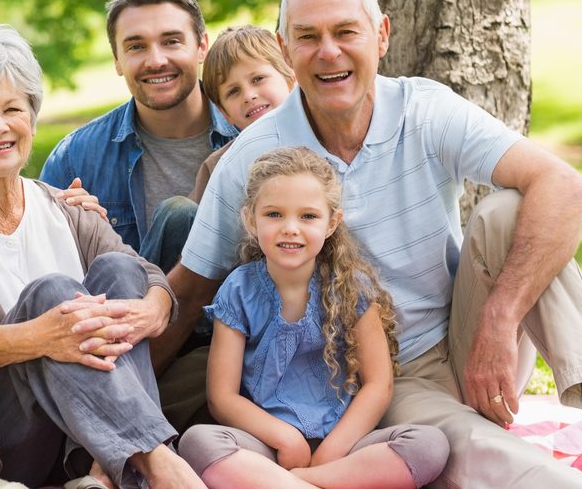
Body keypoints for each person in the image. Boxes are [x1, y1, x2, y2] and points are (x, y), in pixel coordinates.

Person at [163, 0, 582, 486]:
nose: (329, 52)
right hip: (380, 379)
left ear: (381, 34)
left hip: (469, 336)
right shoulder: (254, 156)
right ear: (285, 48)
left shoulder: (425, 109)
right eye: (308, 36)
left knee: (517, 207)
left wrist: (499, 322)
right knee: (473, 453)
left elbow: (567, 187)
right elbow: (189, 289)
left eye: (346, 32)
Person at [0, 24, 205, 489]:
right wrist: (41, 336)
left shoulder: (64, 206)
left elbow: (148, 276)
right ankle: (157, 463)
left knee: (119, 270)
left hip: (84, 441)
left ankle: (105, 470)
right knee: (51, 293)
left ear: (32, 121)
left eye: (12, 109)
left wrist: (151, 310)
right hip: (6, 437)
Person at [178, 147, 449, 489]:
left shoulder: (353, 288)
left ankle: (303, 483)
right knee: (199, 443)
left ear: (332, 222)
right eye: (274, 214)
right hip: (266, 449)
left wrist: (328, 454)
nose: (290, 228)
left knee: (427, 446)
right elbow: (222, 397)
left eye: (308, 216)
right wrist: (285, 439)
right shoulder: (239, 290)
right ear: (250, 219)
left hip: (344, 447)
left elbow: (379, 385)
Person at [40, 0, 237, 274]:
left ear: (201, 47)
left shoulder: (251, 135)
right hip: (132, 315)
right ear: (117, 60)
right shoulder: (74, 160)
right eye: (136, 47)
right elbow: (46, 268)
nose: (156, 61)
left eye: (171, 41)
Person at [188, 24, 295, 202]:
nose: (249, 96)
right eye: (233, 91)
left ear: (290, 78)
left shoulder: (326, 138)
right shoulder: (220, 166)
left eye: (258, 79)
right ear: (224, 113)